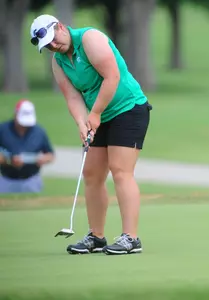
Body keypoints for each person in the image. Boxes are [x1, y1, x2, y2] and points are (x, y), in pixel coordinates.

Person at [29, 14, 152, 255]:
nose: (54, 46)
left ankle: (131, 238)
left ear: (61, 27)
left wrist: (94, 114)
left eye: (54, 39)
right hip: (100, 115)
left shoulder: (90, 39)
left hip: (129, 108)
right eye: (49, 46)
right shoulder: (59, 61)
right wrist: (81, 123)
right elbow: (72, 96)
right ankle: (96, 236)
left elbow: (112, 76)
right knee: (92, 173)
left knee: (120, 171)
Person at [0, 100, 55, 193]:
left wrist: (43, 159)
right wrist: (9, 160)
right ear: (16, 115)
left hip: (31, 181)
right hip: (7, 180)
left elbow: (50, 155)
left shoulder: (39, 131)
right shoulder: (3, 129)